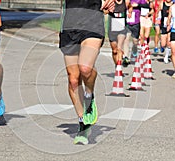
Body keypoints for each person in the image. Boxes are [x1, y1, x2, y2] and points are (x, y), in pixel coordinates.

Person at [59, 0, 116, 145]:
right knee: (73, 79)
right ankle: (83, 123)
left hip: (92, 21)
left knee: (85, 68)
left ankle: (89, 95)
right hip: (69, 25)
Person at [108, 0, 131, 67]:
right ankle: (117, 64)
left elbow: (130, 6)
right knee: (114, 51)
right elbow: (105, 11)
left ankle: (119, 67)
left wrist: (130, 11)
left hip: (122, 28)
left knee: (119, 48)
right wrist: (108, 10)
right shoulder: (111, 2)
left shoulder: (126, 2)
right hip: (112, 29)